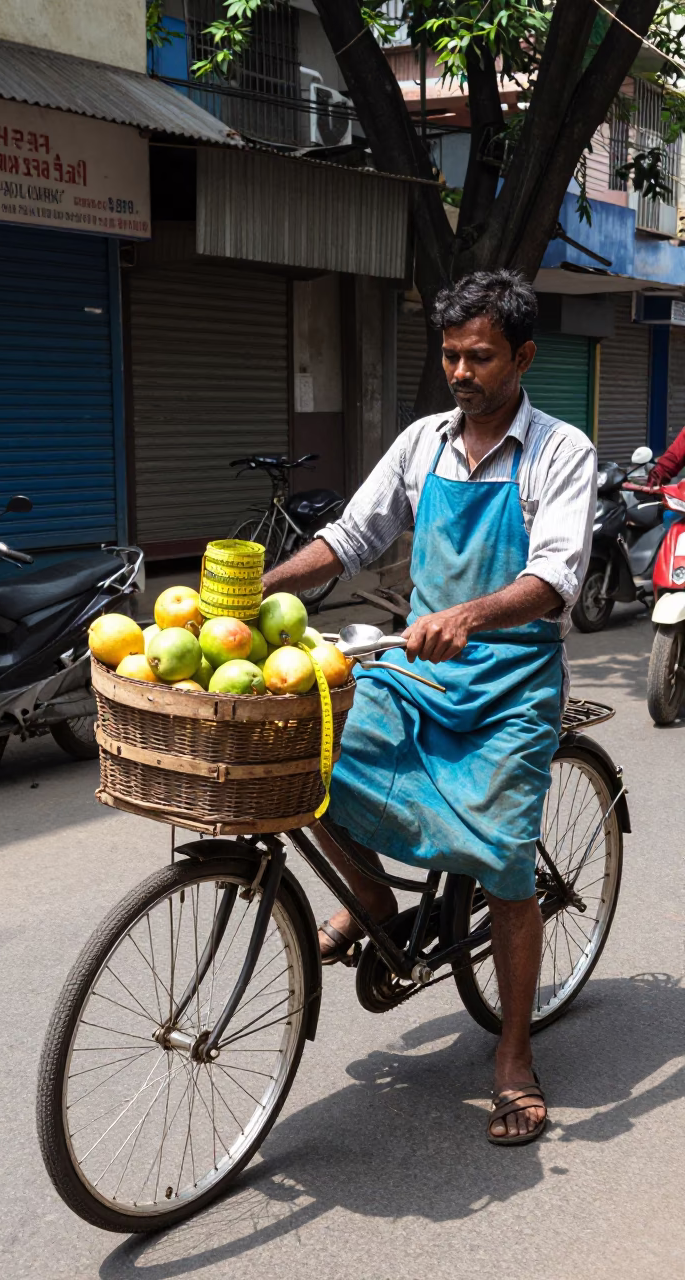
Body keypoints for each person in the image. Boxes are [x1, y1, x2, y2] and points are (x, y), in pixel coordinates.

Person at [263, 270, 597, 1146]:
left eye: (479, 356)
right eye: (450, 354)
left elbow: (557, 575)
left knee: (504, 862)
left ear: (522, 357)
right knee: (309, 745)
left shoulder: (562, 451)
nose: (460, 370)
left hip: (512, 683)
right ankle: (375, 899)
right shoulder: (421, 442)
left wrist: (469, 615)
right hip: (420, 671)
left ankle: (514, 1056)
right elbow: (351, 536)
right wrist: (255, 593)